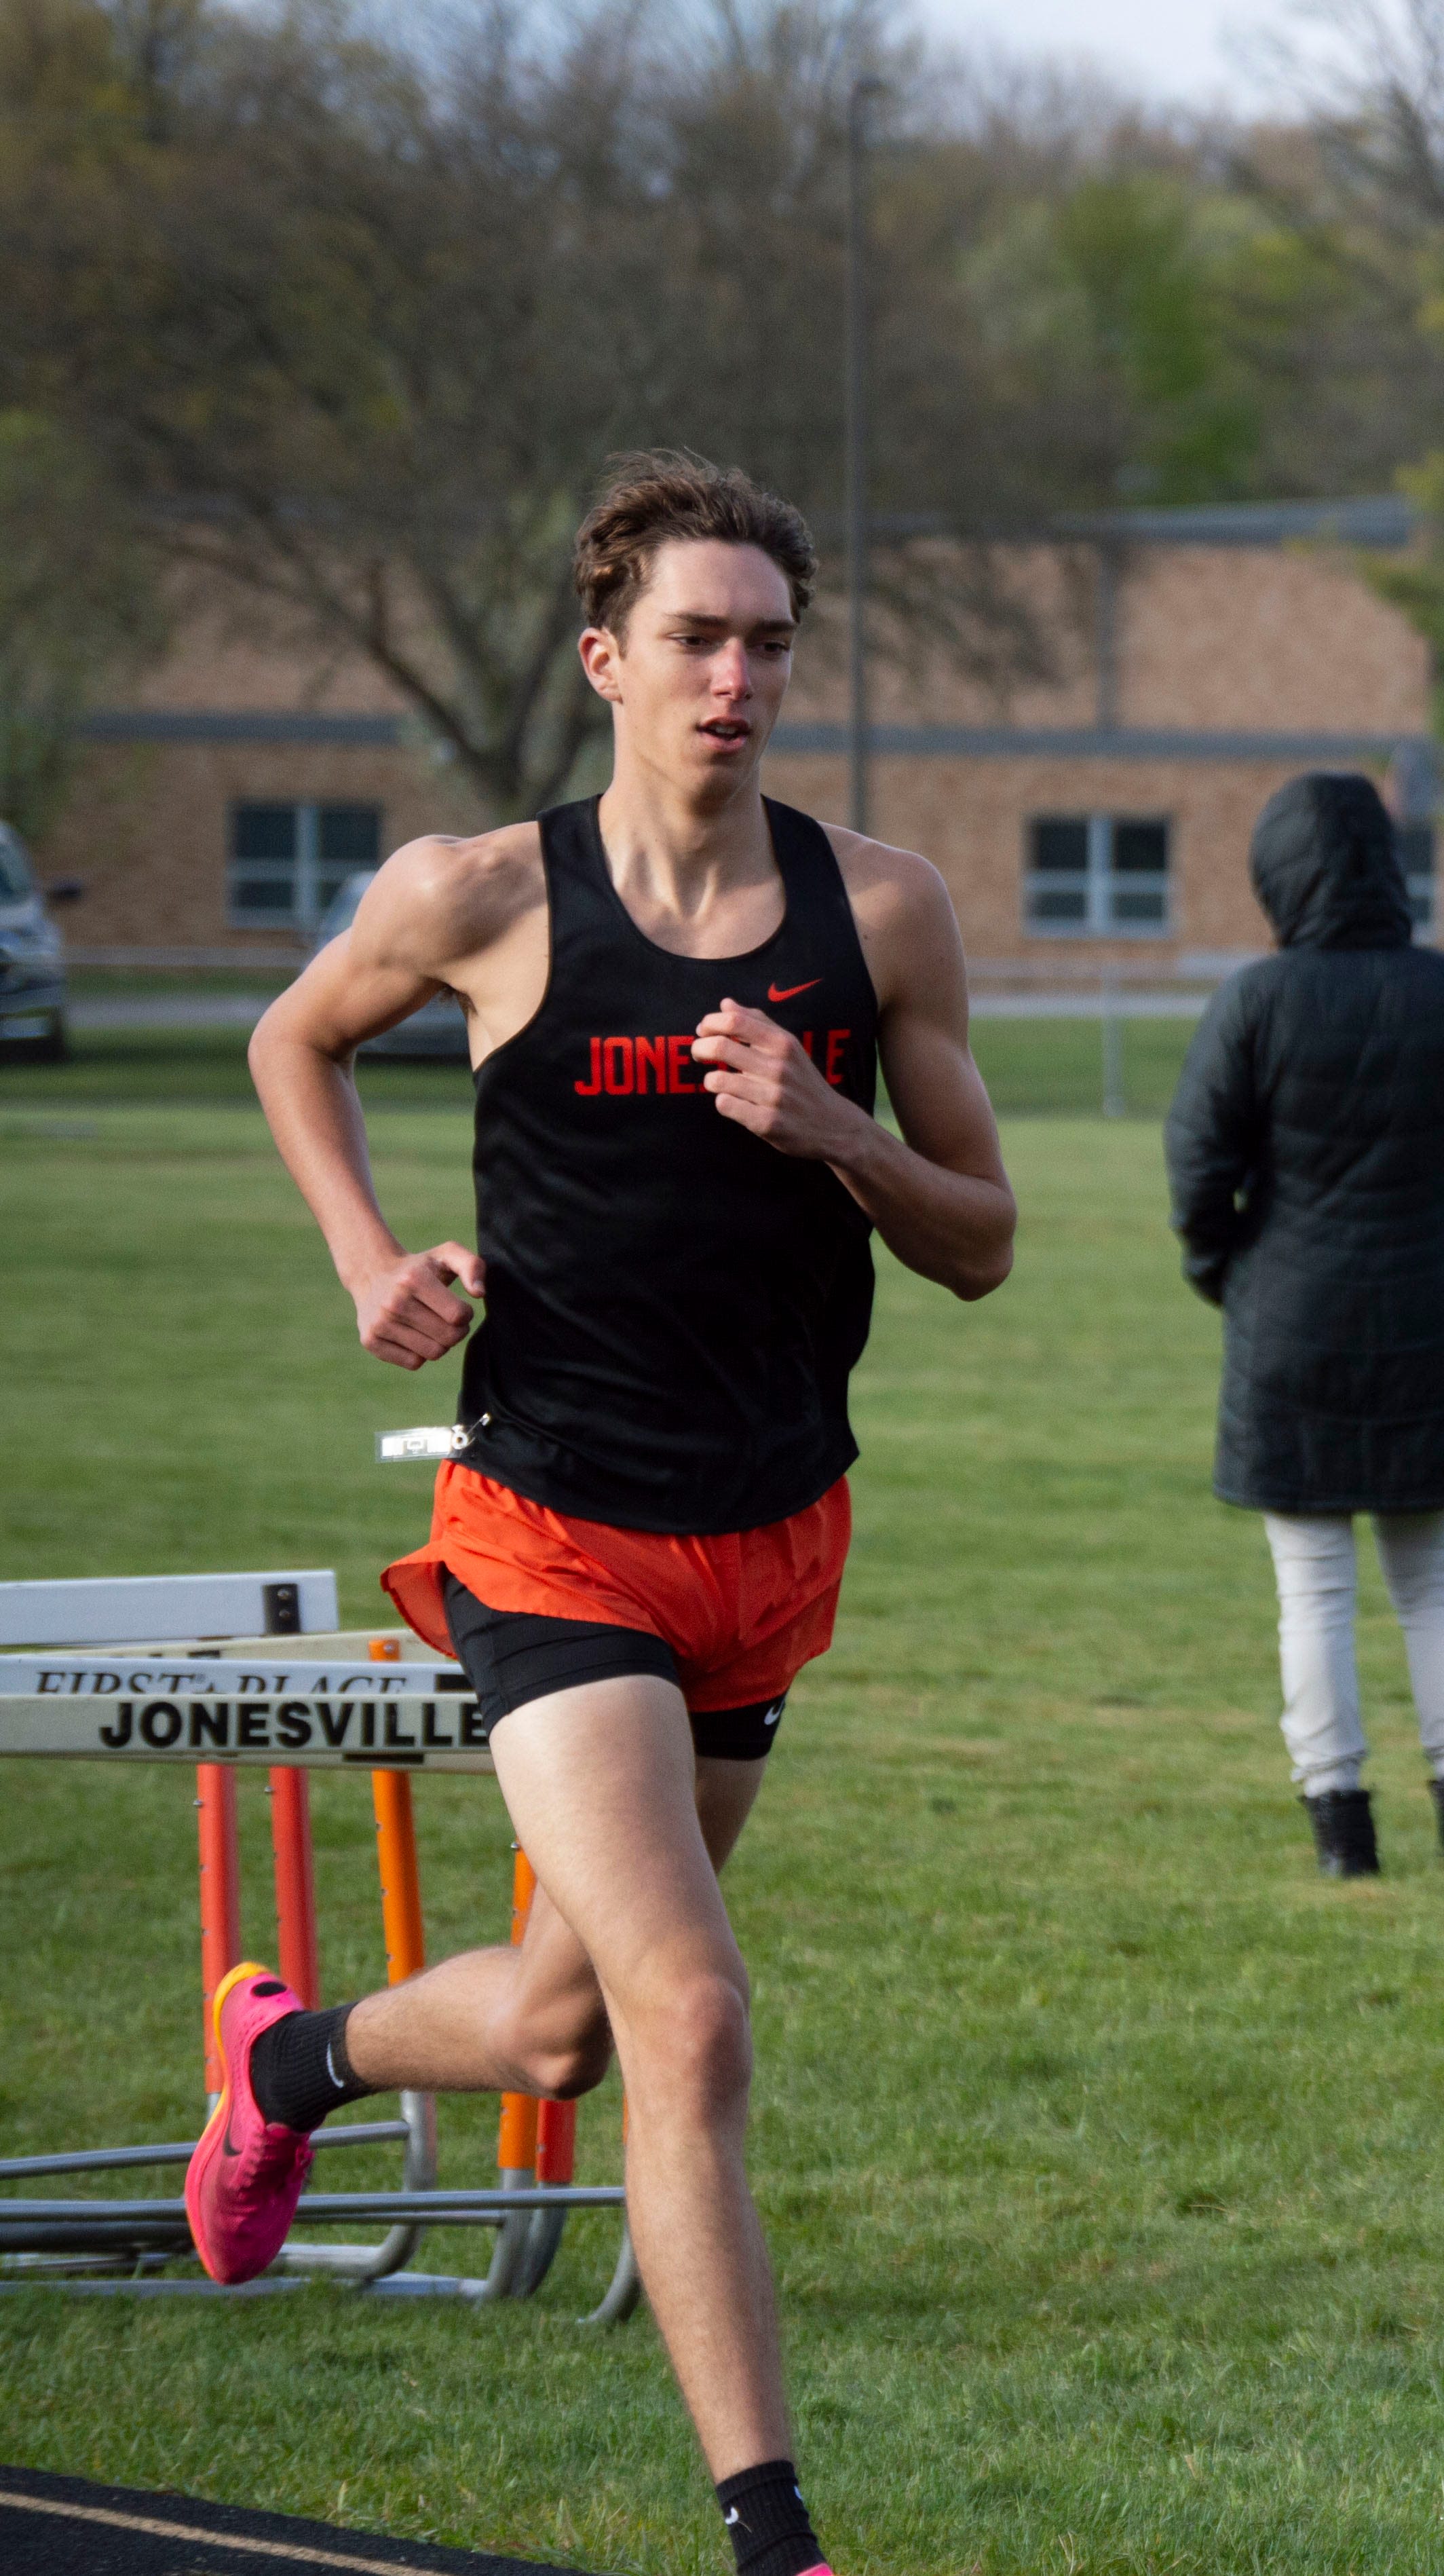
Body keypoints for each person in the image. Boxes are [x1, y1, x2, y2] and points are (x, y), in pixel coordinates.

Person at [228, 452, 1015, 2576]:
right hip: (549, 1525)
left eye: (768, 639)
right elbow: (293, 1039)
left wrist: (832, 1121)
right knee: (690, 2014)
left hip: (769, 1535)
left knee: (569, 2029)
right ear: (608, 658)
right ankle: (778, 2537)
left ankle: (288, 2056)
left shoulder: (883, 914)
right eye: (696, 635)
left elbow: (985, 1242)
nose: (736, 674)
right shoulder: (476, 893)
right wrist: (362, 1254)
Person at [1165, 771, 1444, 1879]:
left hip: (1285, 1326)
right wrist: (1441, 1261)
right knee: (1435, 1579)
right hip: (1426, 1316)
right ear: (1388, 867)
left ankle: (1344, 1837)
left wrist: (1229, 1272)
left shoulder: (1255, 1001)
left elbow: (1198, 1170)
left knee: (1312, 1588)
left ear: (1276, 874)